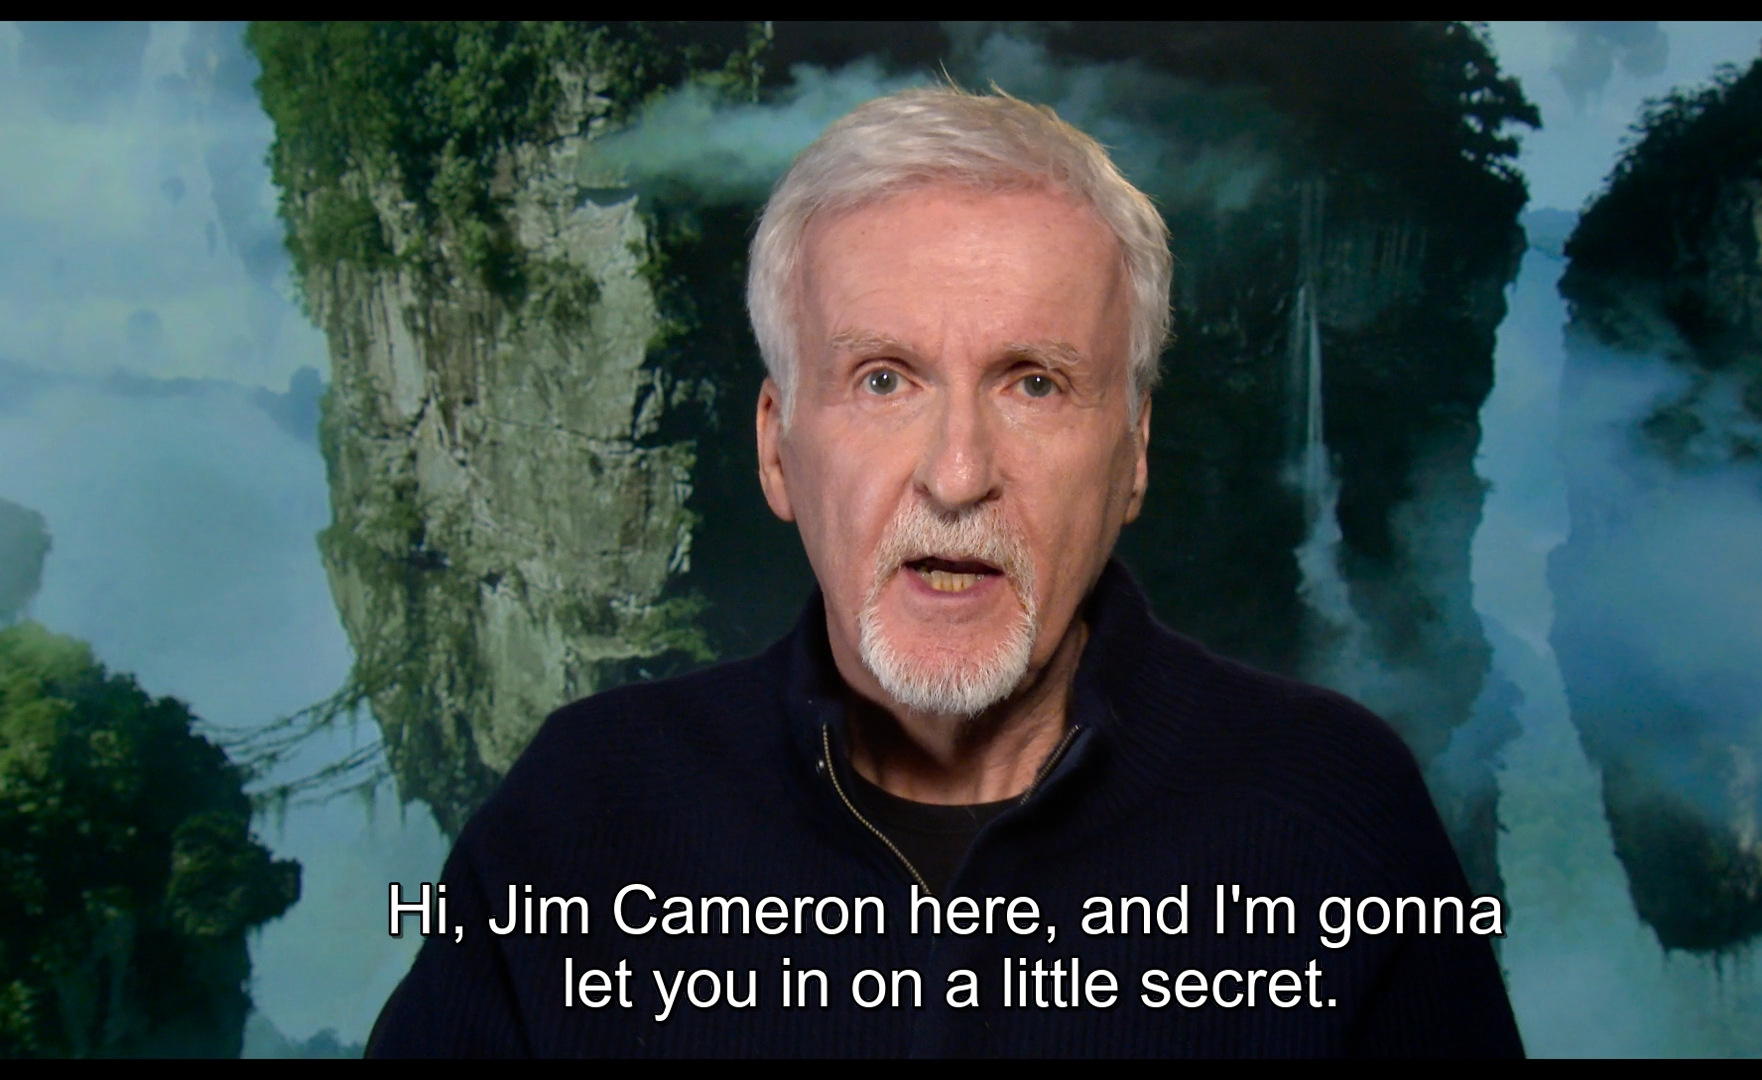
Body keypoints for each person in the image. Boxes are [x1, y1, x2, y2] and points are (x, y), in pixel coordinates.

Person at [367, 85, 1523, 1057]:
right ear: (776, 449)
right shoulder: (582, 813)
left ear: (1134, 454)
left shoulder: (1335, 812)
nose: (958, 474)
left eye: (1035, 383)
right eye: (883, 380)